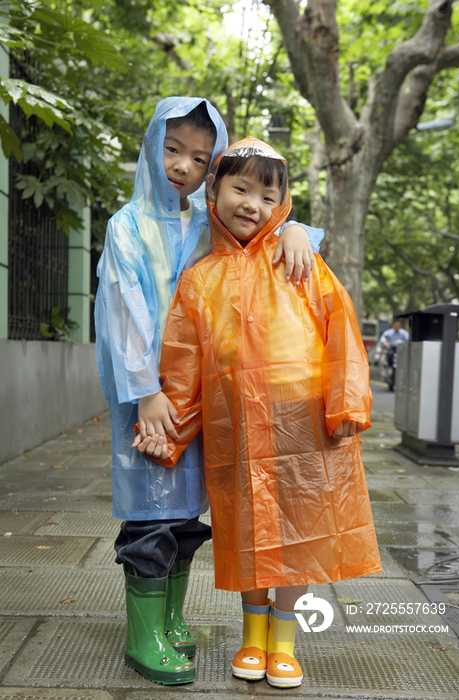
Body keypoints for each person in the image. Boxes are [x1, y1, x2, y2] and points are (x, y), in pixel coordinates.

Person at [135, 137, 382, 689]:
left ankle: (285, 642)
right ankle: (252, 636)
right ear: (215, 190)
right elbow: (183, 359)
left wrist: (348, 400)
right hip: (236, 431)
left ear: (283, 204)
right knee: (247, 530)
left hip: (307, 427)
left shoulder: (298, 259)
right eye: (240, 188)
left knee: (302, 534)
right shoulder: (200, 279)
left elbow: (339, 327)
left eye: (268, 196)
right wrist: (167, 429)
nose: (252, 204)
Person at [95, 98, 320, 686]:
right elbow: (126, 315)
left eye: (199, 157)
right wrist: (146, 392)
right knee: (149, 514)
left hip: (203, 398)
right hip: (153, 398)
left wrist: (297, 227)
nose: (182, 166)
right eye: (171, 150)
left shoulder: (204, 221)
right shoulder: (127, 226)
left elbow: (261, 229)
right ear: (150, 148)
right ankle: (143, 636)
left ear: (212, 170)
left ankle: (170, 620)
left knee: (188, 516)